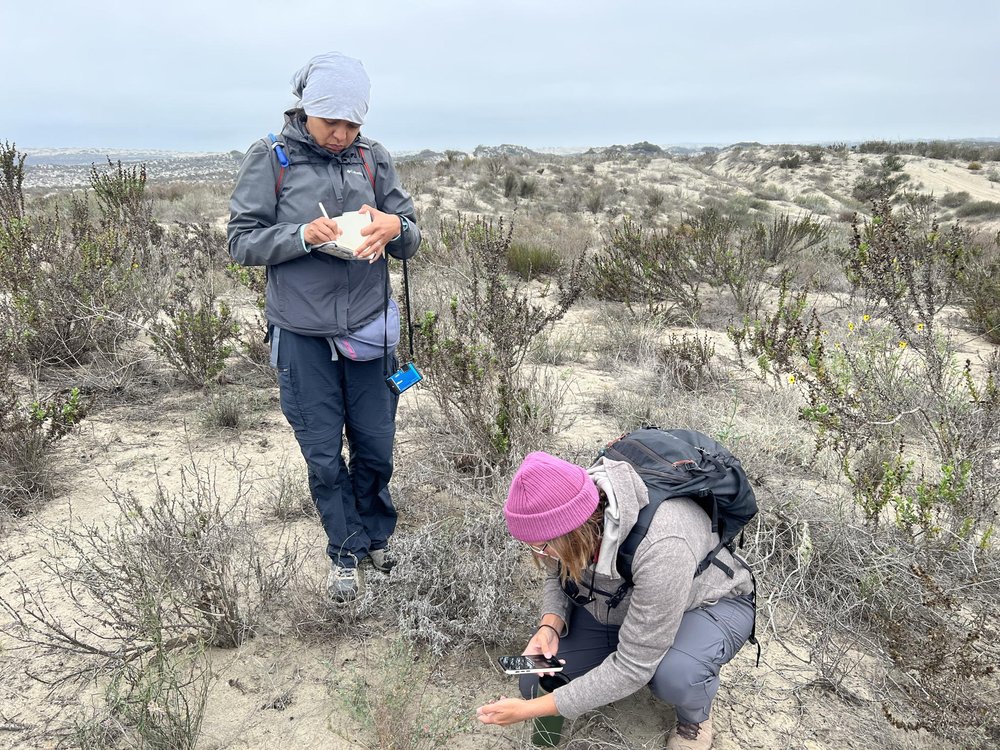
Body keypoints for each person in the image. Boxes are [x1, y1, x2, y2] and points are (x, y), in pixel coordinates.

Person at [228, 52, 420, 603]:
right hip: (301, 337)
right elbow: (241, 240)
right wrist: (302, 237)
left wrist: (394, 227)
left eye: (351, 123)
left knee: (376, 445)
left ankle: (378, 536)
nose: (340, 134)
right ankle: (345, 549)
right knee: (321, 452)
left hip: (368, 331)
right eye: (329, 121)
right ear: (305, 110)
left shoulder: (373, 159)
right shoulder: (271, 158)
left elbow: (412, 235)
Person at [476, 451, 756, 750]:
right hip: (619, 606)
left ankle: (694, 717)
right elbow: (556, 573)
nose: (542, 555)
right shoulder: (571, 510)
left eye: (544, 547)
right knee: (533, 682)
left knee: (676, 675)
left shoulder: (662, 545)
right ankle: (622, 651)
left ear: (577, 530)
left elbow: (634, 666)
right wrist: (550, 625)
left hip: (707, 603)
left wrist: (530, 711)